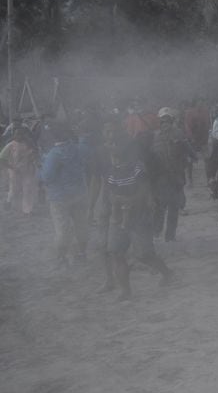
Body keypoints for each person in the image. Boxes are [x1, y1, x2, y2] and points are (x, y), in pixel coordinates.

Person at [101, 136, 174, 301]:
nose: (113, 149)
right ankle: (126, 291)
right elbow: (111, 195)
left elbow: (143, 192)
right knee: (115, 253)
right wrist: (119, 203)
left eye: (116, 145)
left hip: (139, 216)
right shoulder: (110, 170)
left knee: (144, 255)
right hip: (118, 217)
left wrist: (126, 201)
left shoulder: (137, 167)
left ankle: (167, 273)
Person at [40, 123, 90, 264]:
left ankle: (61, 257)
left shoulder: (53, 154)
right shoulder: (79, 148)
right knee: (81, 225)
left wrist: (39, 170)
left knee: (62, 228)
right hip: (80, 192)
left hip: (59, 197)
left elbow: (47, 177)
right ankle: (82, 253)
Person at [152, 108, 194, 242]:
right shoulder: (154, 137)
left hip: (176, 177)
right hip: (160, 178)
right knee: (159, 206)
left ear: (172, 122)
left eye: (167, 121)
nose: (165, 124)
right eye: (162, 122)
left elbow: (190, 151)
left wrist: (190, 158)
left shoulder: (179, 135)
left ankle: (170, 236)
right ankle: (156, 230)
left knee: (173, 207)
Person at [0, 126, 39, 215]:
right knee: (14, 190)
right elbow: (1, 158)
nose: (20, 136)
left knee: (27, 189)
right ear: (14, 135)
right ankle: (9, 202)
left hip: (27, 170)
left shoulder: (27, 144)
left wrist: (32, 159)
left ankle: (27, 210)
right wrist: (11, 167)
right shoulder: (10, 145)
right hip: (14, 171)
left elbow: (33, 154)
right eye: (18, 134)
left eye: (22, 134)